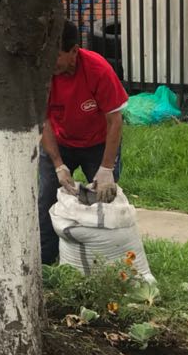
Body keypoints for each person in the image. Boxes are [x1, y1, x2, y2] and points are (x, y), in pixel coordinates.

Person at [38, 19, 128, 265]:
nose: (50, 62)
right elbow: (43, 120)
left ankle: (104, 262)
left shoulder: (97, 70)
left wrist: (106, 168)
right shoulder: (43, 74)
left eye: (55, 56)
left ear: (73, 51)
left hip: (98, 144)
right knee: (46, 198)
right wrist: (58, 164)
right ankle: (46, 260)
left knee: (103, 200)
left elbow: (115, 120)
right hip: (60, 141)